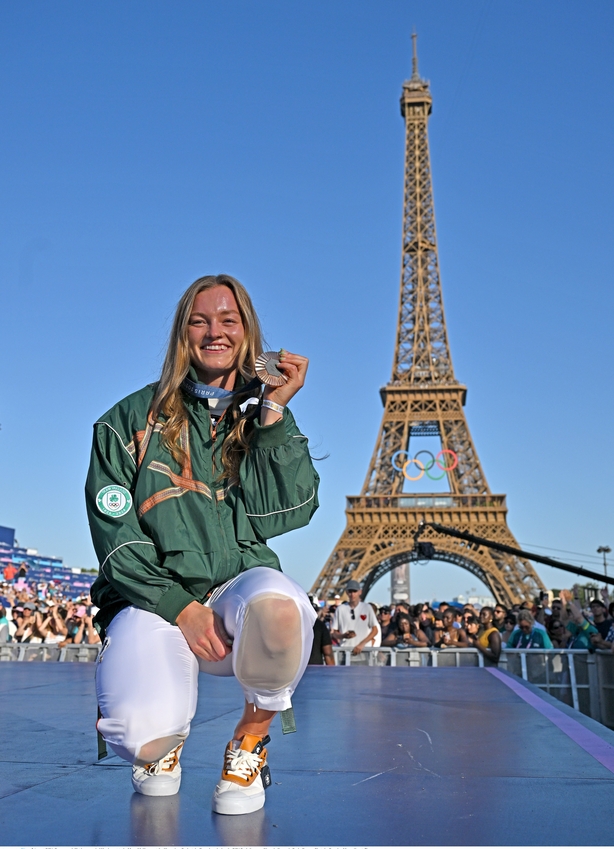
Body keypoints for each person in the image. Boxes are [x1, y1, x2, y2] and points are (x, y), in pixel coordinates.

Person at [86, 275, 320, 815]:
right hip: (156, 601)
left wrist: (274, 413)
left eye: (228, 320)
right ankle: (160, 746)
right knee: (139, 735)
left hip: (236, 588)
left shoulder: (259, 415)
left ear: (247, 332)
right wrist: (180, 609)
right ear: (182, 333)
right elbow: (116, 539)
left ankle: (250, 738)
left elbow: (287, 512)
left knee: (283, 610)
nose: (214, 331)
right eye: (200, 320)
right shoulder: (124, 423)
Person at [331, 580, 378, 655]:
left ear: (360, 592)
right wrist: (344, 635)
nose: (352, 594)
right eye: (350, 591)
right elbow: (334, 633)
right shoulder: (340, 609)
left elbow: (375, 630)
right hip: (345, 652)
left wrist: (362, 644)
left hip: (363, 651)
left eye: (355, 591)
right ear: (346, 592)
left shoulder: (367, 608)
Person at [307, 597, 334, 666]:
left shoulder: (290, 625)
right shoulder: (320, 625)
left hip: (295, 671)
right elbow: (328, 653)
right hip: (315, 668)